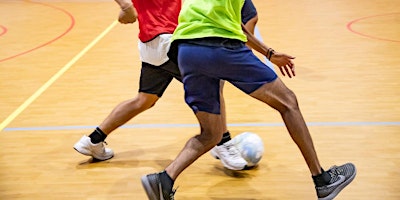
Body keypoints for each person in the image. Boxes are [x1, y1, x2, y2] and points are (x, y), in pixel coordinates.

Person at [140, 0, 357, 199]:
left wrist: (269, 54)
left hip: (186, 52)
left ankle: (164, 180)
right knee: (288, 103)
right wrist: (268, 54)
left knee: (211, 133)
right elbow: (242, 29)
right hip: (220, 45)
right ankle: (323, 180)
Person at [73, 0, 262, 171]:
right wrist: (126, 6)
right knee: (212, 82)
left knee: (145, 99)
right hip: (170, 39)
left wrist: (127, 8)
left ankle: (93, 140)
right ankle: (223, 143)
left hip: (150, 45)